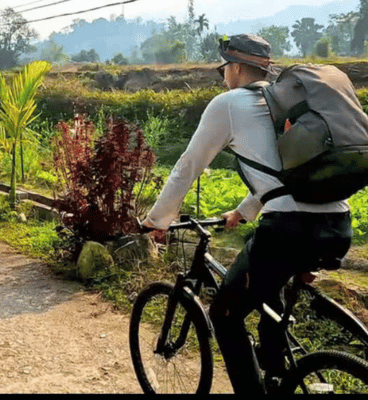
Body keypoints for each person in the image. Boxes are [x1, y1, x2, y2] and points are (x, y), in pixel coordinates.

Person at [141, 34, 353, 394]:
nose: (224, 75)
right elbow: (287, 173)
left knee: (224, 316)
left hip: (290, 229)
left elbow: (189, 164)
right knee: (268, 285)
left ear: (236, 67)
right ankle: (276, 372)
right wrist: (243, 210)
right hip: (337, 224)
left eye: (223, 68)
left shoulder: (229, 104)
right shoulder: (286, 104)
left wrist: (156, 220)